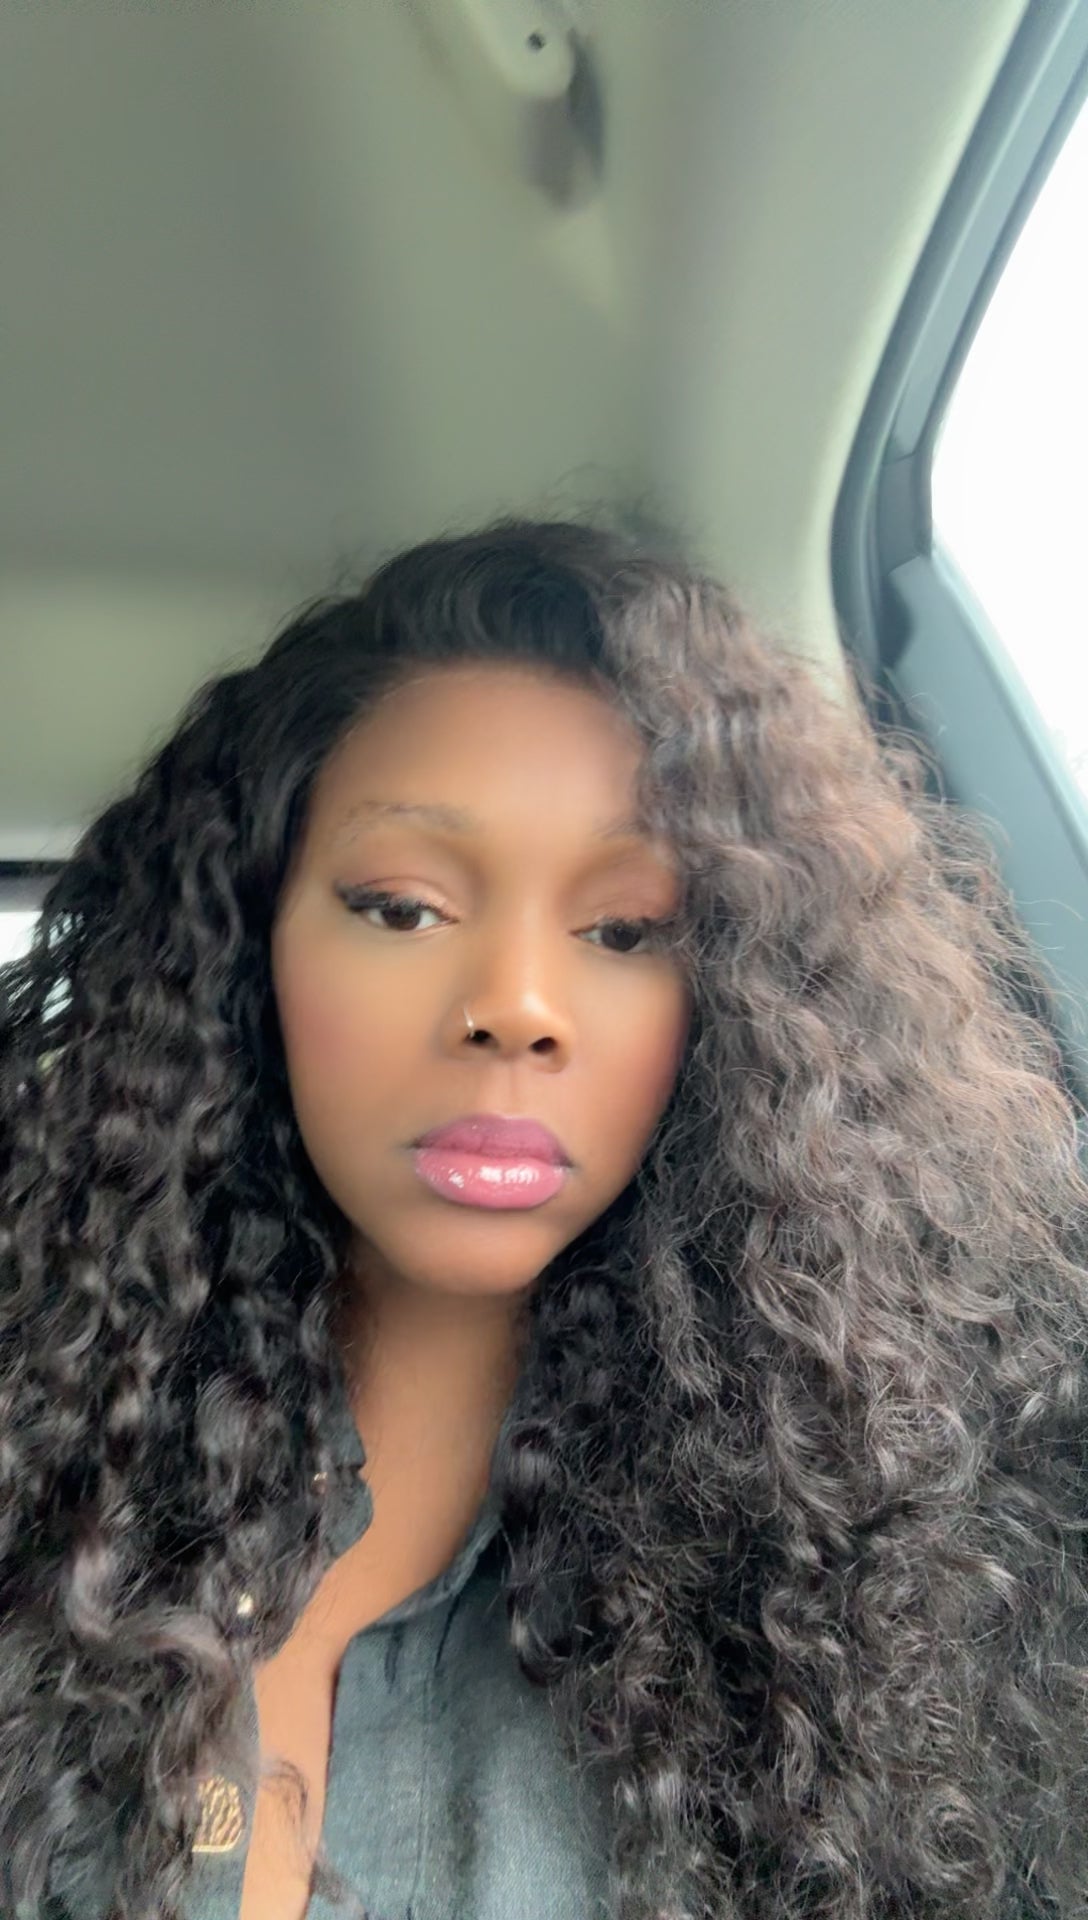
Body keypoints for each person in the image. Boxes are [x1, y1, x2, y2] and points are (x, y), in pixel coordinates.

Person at [1, 517, 1087, 1920]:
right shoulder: (38, 1463)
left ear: (734, 1005)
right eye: (402, 908)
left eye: (626, 930)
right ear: (250, 950)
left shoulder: (928, 1587)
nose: (515, 1007)